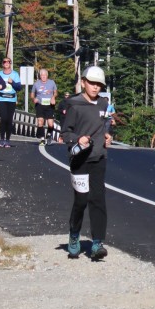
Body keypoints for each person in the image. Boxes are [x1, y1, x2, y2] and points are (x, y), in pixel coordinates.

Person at [61, 64, 113, 261]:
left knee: (98, 200)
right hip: (80, 159)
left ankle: (97, 242)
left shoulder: (103, 104)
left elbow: (104, 126)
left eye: (99, 84)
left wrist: (107, 136)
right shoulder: (74, 104)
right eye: (91, 83)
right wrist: (78, 139)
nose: (95, 87)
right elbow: (65, 133)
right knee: (81, 200)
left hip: (98, 157)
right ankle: (74, 235)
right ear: (83, 83)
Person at [0, 56, 21, 148]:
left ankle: (8, 140)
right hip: (1, 99)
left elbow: (19, 87)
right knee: (3, 118)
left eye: (8, 62)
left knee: (9, 120)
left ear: (10, 63)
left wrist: (12, 82)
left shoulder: (15, 74)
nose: (6, 63)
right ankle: (2, 139)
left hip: (11, 99)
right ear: (2, 64)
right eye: (4, 62)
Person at [32, 66, 58, 142]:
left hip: (49, 105)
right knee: (40, 121)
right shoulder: (36, 84)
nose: (43, 76)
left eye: (45, 75)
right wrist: (34, 99)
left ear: (47, 75)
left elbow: (55, 92)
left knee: (50, 124)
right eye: (42, 75)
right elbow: (32, 94)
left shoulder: (52, 82)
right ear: (40, 76)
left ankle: (49, 134)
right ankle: (42, 138)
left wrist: (53, 97)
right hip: (40, 104)